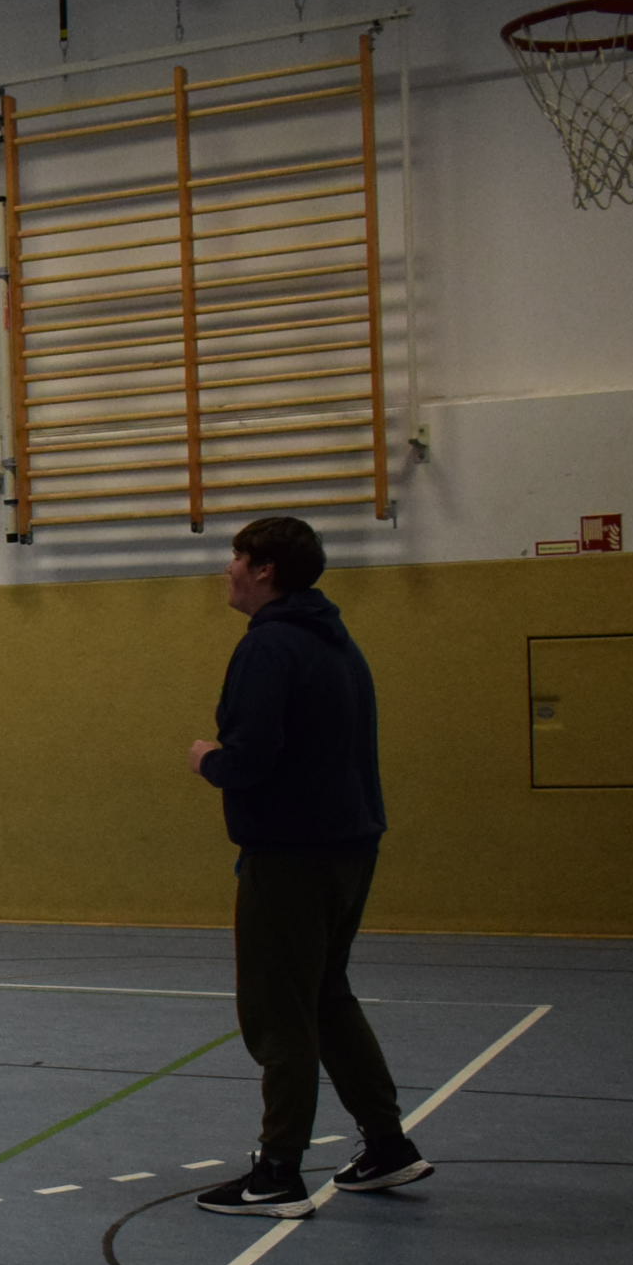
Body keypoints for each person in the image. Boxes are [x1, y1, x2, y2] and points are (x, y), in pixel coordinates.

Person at [187, 515, 431, 1217]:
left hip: (291, 853)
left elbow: (253, 756)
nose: (228, 568)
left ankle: (278, 1172)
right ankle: (387, 1146)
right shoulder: (336, 641)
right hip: (349, 845)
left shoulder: (270, 647)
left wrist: (210, 760)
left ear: (265, 569)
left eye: (237, 556)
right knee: (326, 996)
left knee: (279, 1012)